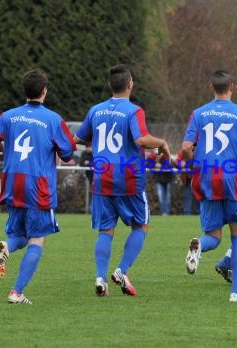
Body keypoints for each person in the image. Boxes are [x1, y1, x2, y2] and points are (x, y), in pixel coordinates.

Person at [74, 64, 170, 297]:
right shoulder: (133, 111)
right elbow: (141, 140)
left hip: (102, 176)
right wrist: (162, 143)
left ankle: (100, 278)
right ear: (130, 84)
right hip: (128, 177)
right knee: (141, 225)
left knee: (105, 231)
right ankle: (122, 270)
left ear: (110, 85)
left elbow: (77, 138)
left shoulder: (95, 110)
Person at [0, 69, 76, 304]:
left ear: (25, 91)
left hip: (13, 181)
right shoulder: (53, 119)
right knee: (37, 239)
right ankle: (17, 292)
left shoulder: (9, 116)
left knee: (19, 235)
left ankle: (6, 247)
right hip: (39, 185)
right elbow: (67, 153)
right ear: (44, 91)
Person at [183, 69, 237, 302]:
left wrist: (195, 165)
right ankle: (235, 292)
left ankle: (200, 246)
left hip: (206, 177)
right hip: (234, 179)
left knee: (214, 235)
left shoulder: (198, 113)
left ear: (211, 87)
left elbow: (187, 146)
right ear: (231, 88)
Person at [149, 149, 174, 215]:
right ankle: (164, 212)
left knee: (168, 197)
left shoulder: (167, 157)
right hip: (159, 180)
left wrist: (161, 166)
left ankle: (167, 212)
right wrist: (155, 163)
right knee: (161, 197)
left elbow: (171, 166)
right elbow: (147, 164)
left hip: (168, 179)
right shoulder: (153, 158)